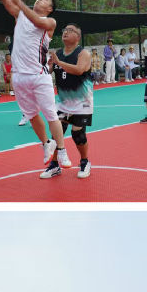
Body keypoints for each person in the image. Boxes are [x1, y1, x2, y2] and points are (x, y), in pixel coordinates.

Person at [0, 0, 70, 171]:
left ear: (50, 8)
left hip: (39, 75)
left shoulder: (50, 21)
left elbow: (36, 20)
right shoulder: (20, 15)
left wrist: (20, 3)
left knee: (51, 115)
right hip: (19, 76)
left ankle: (62, 150)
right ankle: (46, 143)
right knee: (31, 114)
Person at [43, 23, 94, 179]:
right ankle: (54, 165)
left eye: (70, 31)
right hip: (63, 102)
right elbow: (48, 73)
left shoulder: (83, 53)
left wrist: (58, 63)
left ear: (78, 37)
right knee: (56, 134)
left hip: (82, 101)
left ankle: (85, 161)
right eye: (64, 30)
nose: (65, 32)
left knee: (77, 134)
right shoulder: (58, 53)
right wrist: (48, 66)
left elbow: (79, 70)